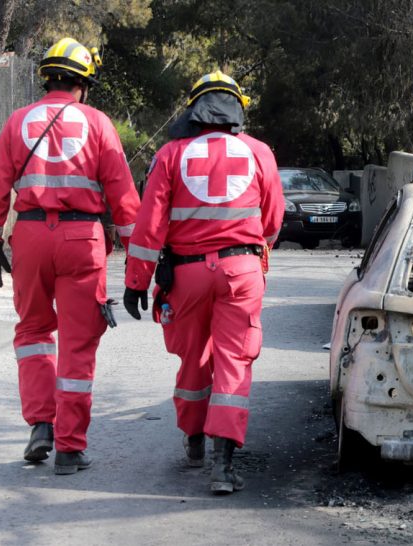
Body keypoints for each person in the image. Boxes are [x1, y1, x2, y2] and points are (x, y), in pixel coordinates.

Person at [0, 38, 141, 474]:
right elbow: (124, 199)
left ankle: (40, 425)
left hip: (29, 236)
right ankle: (69, 448)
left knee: (32, 332)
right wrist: (143, 265)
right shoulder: (99, 123)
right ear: (83, 84)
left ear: (46, 77)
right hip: (80, 240)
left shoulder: (17, 122)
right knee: (77, 341)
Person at [123, 71, 284, 494]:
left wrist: (136, 282)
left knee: (193, 358)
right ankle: (224, 464)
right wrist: (254, 253)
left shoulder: (171, 153)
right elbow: (272, 221)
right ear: (237, 108)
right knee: (234, 360)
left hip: (186, 274)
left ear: (193, 108)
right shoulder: (259, 152)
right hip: (241, 273)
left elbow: (149, 224)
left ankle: (194, 441)